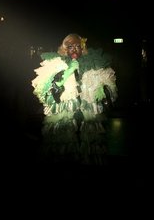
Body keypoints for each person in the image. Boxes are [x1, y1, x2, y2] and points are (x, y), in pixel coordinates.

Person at [31, 33, 117, 165]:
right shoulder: (55, 64)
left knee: (88, 151)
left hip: (87, 118)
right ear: (65, 49)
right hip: (65, 117)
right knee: (64, 152)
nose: (74, 50)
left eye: (78, 46)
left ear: (83, 48)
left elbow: (109, 94)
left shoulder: (94, 65)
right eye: (70, 47)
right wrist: (66, 75)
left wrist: (104, 91)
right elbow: (48, 94)